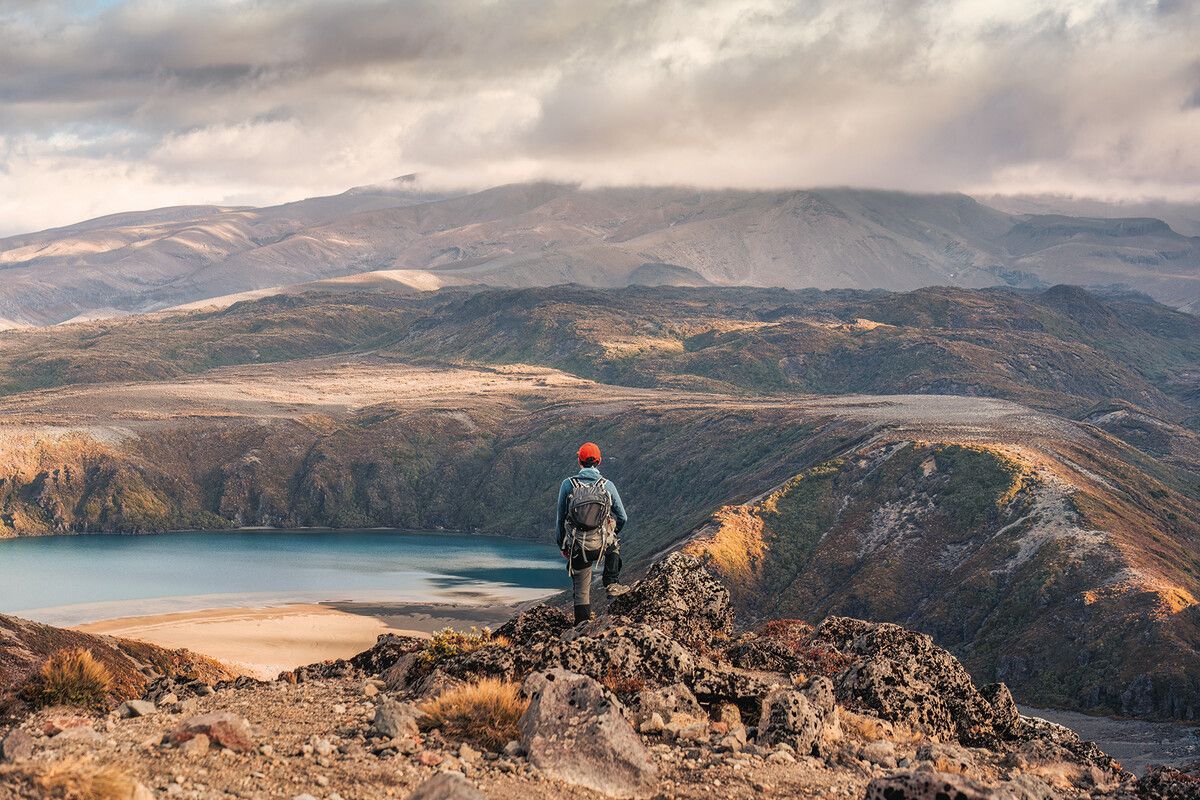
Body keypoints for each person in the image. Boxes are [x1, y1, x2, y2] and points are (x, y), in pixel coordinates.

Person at [555, 441, 629, 624]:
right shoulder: (607, 485)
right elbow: (623, 517)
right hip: (603, 544)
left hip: (578, 546)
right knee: (614, 543)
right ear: (599, 462)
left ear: (579, 461)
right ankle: (611, 582)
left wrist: (562, 544)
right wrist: (612, 533)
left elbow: (560, 518)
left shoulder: (568, 485)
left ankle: (582, 629)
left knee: (581, 592)